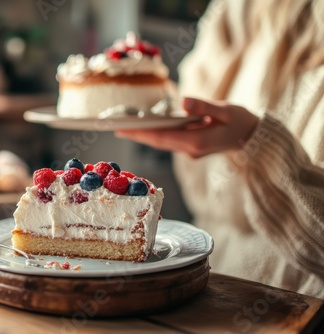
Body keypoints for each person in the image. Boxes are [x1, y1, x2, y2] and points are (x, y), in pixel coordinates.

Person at [116, 0, 324, 298]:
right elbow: (206, 202)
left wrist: (258, 145)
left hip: (302, 311)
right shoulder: (234, 11)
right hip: (208, 291)